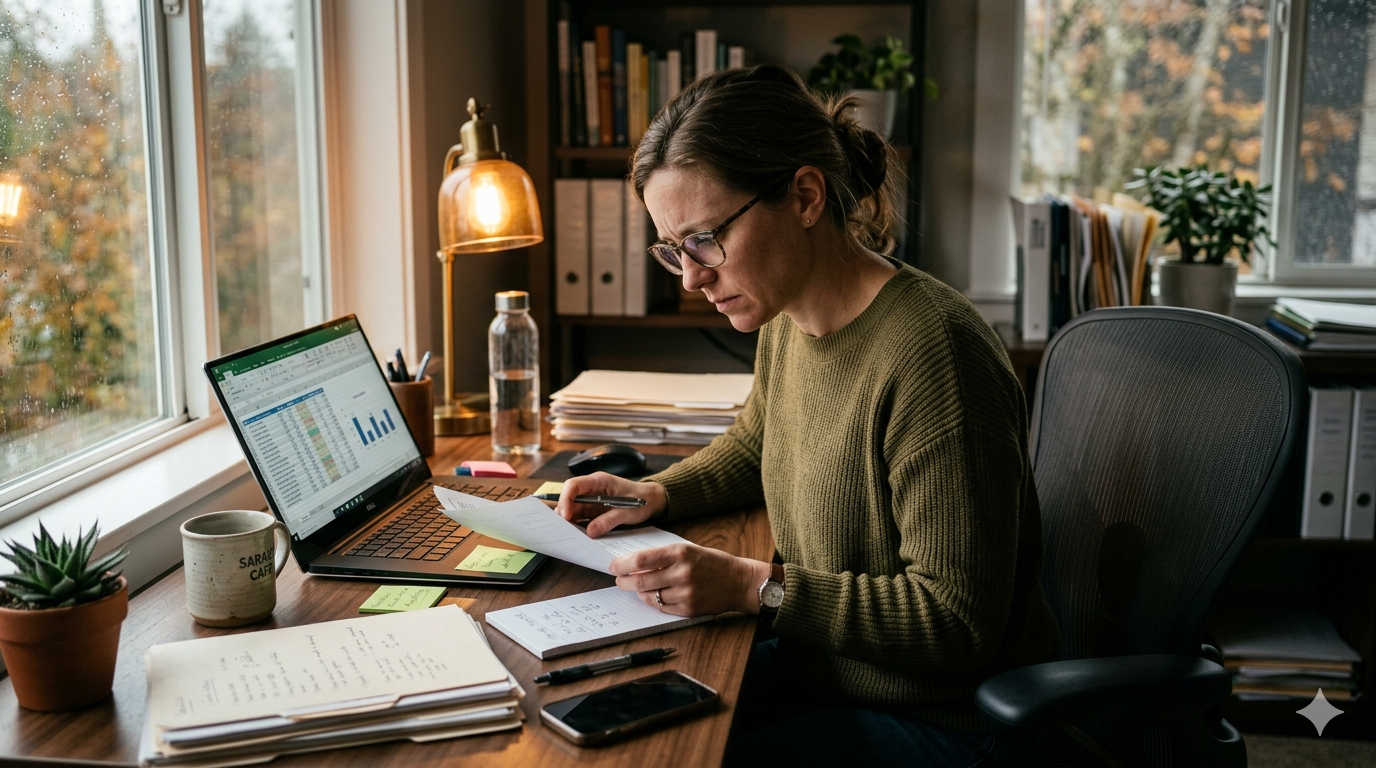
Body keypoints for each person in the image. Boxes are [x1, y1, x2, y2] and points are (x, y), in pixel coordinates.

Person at [555, 64, 1060, 767]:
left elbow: (954, 621)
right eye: (674, 250)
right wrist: (661, 492)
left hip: (948, 720)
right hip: (826, 669)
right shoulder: (786, 315)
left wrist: (749, 585)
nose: (694, 276)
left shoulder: (934, 355)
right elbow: (759, 440)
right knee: (610, 726)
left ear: (804, 195)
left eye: (706, 239)